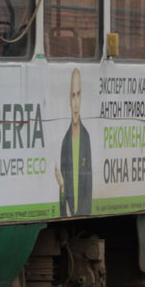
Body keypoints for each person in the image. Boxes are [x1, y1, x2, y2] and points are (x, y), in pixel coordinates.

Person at [56, 68, 93, 217]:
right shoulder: (65, 142)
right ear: (69, 100)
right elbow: (63, 197)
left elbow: (89, 187)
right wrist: (62, 187)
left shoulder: (86, 137)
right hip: (68, 217)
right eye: (73, 96)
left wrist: (84, 216)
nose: (76, 103)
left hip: (83, 217)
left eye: (78, 95)